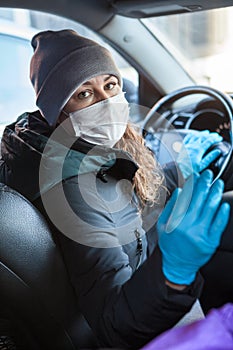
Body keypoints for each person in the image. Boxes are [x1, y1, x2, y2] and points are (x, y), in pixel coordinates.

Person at [0, 29, 230, 348]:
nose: (107, 102)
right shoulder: (75, 192)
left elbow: (125, 210)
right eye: (84, 94)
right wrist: (172, 272)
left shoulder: (61, 150)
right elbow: (114, 324)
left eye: (110, 85)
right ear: (56, 111)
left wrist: (174, 170)